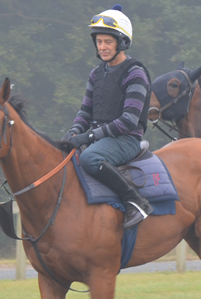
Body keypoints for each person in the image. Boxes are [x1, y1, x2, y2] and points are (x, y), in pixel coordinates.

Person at [57, 4, 153, 230]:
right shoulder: (96, 73)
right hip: (101, 139)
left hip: (127, 139)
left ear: (122, 42)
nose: (102, 47)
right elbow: (85, 112)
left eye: (108, 42)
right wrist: (74, 132)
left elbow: (129, 120)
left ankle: (136, 203)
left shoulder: (135, 73)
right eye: (99, 42)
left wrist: (87, 137)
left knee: (90, 158)